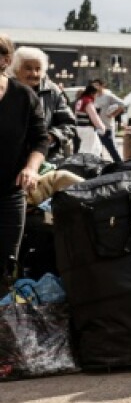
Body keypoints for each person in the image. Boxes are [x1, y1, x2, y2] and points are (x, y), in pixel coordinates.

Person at [0, 34, 49, 279]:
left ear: (5, 60)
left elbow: (41, 139)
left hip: (9, 194)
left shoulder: (24, 96)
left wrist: (31, 168)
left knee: (7, 266)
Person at [9, 46, 76, 163]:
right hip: (10, 159)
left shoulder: (52, 91)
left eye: (38, 69)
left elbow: (68, 124)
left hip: (47, 158)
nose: (34, 73)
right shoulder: (6, 89)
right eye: (28, 68)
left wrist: (51, 137)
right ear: (16, 69)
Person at [89, 78, 125, 163]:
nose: (95, 87)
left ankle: (120, 165)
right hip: (96, 127)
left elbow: (122, 104)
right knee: (97, 150)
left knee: (112, 149)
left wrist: (114, 114)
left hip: (107, 127)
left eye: (97, 85)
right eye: (94, 85)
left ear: (102, 86)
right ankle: (100, 166)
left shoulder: (108, 96)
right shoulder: (93, 96)